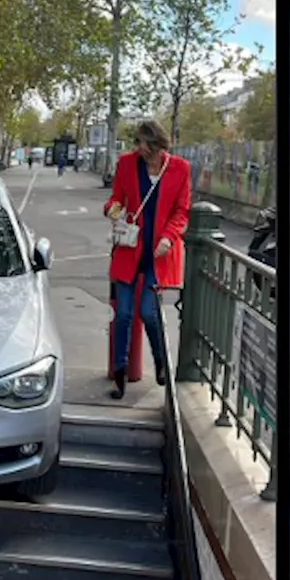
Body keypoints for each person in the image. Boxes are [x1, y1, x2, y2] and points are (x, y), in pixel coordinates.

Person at [104, 120, 192, 399]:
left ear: (157, 143)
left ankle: (162, 364)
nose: (140, 148)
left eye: (144, 142)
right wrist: (113, 211)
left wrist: (169, 237)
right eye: (138, 142)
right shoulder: (127, 163)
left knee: (150, 314)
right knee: (124, 314)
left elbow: (182, 210)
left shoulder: (180, 168)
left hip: (159, 253)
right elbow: (116, 198)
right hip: (130, 248)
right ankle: (119, 377)